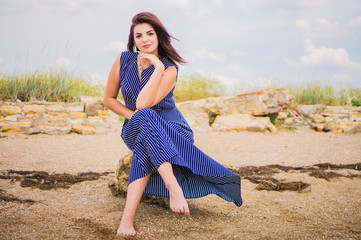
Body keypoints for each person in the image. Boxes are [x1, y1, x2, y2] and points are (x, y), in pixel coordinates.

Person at [103, 12, 242, 237]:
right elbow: (110, 99)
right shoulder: (123, 60)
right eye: (138, 36)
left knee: (143, 147)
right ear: (133, 40)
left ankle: (126, 221)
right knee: (145, 117)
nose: (144, 39)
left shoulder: (169, 69)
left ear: (159, 36)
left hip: (172, 131)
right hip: (135, 126)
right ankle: (173, 187)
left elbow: (144, 103)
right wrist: (135, 118)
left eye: (150, 33)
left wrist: (157, 67)